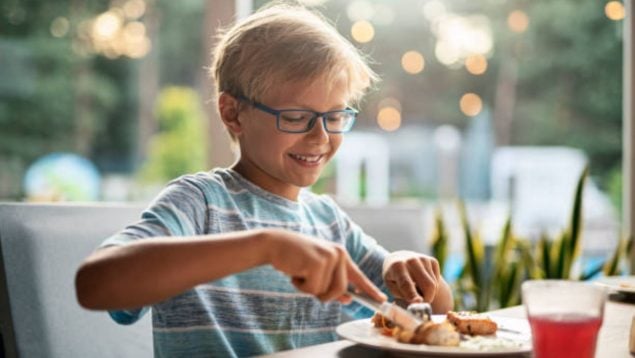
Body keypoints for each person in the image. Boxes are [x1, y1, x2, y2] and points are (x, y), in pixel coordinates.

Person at [75, 3, 453, 357]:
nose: (320, 136)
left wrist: (406, 268)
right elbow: (95, 284)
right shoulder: (200, 203)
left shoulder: (329, 223)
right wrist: (266, 246)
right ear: (233, 113)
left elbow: (436, 313)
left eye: (334, 116)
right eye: (294, 117)